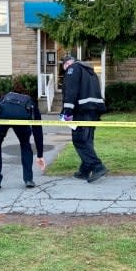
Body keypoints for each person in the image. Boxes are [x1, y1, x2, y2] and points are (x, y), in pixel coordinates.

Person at [60, 55, 108, 183]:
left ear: (68, 63)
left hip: (81, 111)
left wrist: (67, 112)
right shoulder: (90, 71)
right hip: (93, 111)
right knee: (87, 140)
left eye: (64, 66)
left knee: (80, 140)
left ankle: (97, 166)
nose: (65, 69)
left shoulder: (73, 69)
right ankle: (85, 170)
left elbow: (71, 92)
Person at [0, 92, 46, 191]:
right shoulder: (31, 104)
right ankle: (28, 180)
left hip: (1, 117)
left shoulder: (4, 99)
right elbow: (37, 130)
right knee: (25, 144)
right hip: (22, 119)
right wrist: (40, 155)